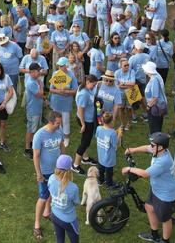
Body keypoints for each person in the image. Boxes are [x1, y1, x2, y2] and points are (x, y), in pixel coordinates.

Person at [122, 132, 175, 243]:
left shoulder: (163, 161)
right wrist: (132, 150)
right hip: (156, 189)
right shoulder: (158, 151)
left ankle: (165, 241)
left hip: (165, 195)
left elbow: (145, 174)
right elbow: (146, 148)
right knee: (149, 207)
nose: (150, 147)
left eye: (153, 145)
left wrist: (129, 169)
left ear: (160, 147)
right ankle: (154, 235)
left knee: (165, 219)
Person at [32, 111, 65, 241]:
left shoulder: (59, 131)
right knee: (43, 196)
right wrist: (39, 174)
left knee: (53, 192)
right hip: (44, 172)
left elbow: (62, 146)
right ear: (50, 122)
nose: (59, 125)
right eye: (57, 123)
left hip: (57, 170)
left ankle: (47, 212)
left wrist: (63, 165)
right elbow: (36, 155)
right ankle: (37, 225)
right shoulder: (39, 135)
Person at [48, 154, 81, 243]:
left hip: (54, 215)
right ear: (69, 170)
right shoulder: (73, 188)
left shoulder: (51, 179)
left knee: (59, 240)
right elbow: (76, 202)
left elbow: (50, 193)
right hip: (69, 220)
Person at [72, 75, 100, 175]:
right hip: (85, 121)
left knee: (86, 139)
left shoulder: (85, 88)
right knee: (84, 143)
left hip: (88, 120)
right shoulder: (83, 94)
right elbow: (80, 110)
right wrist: (83, 124)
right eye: (93, 84)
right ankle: (75, 165)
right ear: (88, 81)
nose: (94, 86)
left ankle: (85, 158)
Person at [143, 61, 168, 134]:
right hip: (158, 105)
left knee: (154, 128)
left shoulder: (154, 80)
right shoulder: (157, 75)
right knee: (157, 127)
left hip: (155, 107)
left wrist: (148, 106)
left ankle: (155, 143)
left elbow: (155, 98)